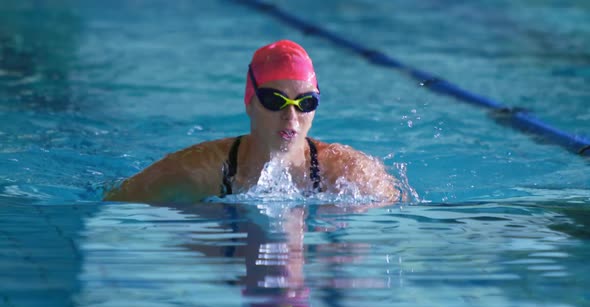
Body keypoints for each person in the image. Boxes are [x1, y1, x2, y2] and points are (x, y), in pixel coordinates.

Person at [105, 40, 406, 203]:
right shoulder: (198, 172)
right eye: (274, 101)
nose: (291, 117)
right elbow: (115, 203)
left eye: (305, 103)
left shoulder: (349, 172)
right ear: (249, 103)